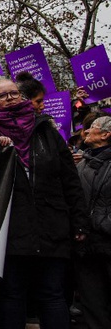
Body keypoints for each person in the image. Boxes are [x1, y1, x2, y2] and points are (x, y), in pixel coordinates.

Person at [0, 77, 87, 329]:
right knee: (12, 295)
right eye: (3, 95)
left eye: (14, 93)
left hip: (50, 226)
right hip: (9, 232)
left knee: (53, 295)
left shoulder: (46, 130)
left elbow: (70, 180)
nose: (10, 98)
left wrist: (79, 222)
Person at [75, 116, 111, 329]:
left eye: (92, 128)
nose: (86, 132)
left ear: (106, 135)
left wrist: (102, 222)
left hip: (106, 238)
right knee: (92, 301)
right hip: (87, 243)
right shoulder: (81, 163)